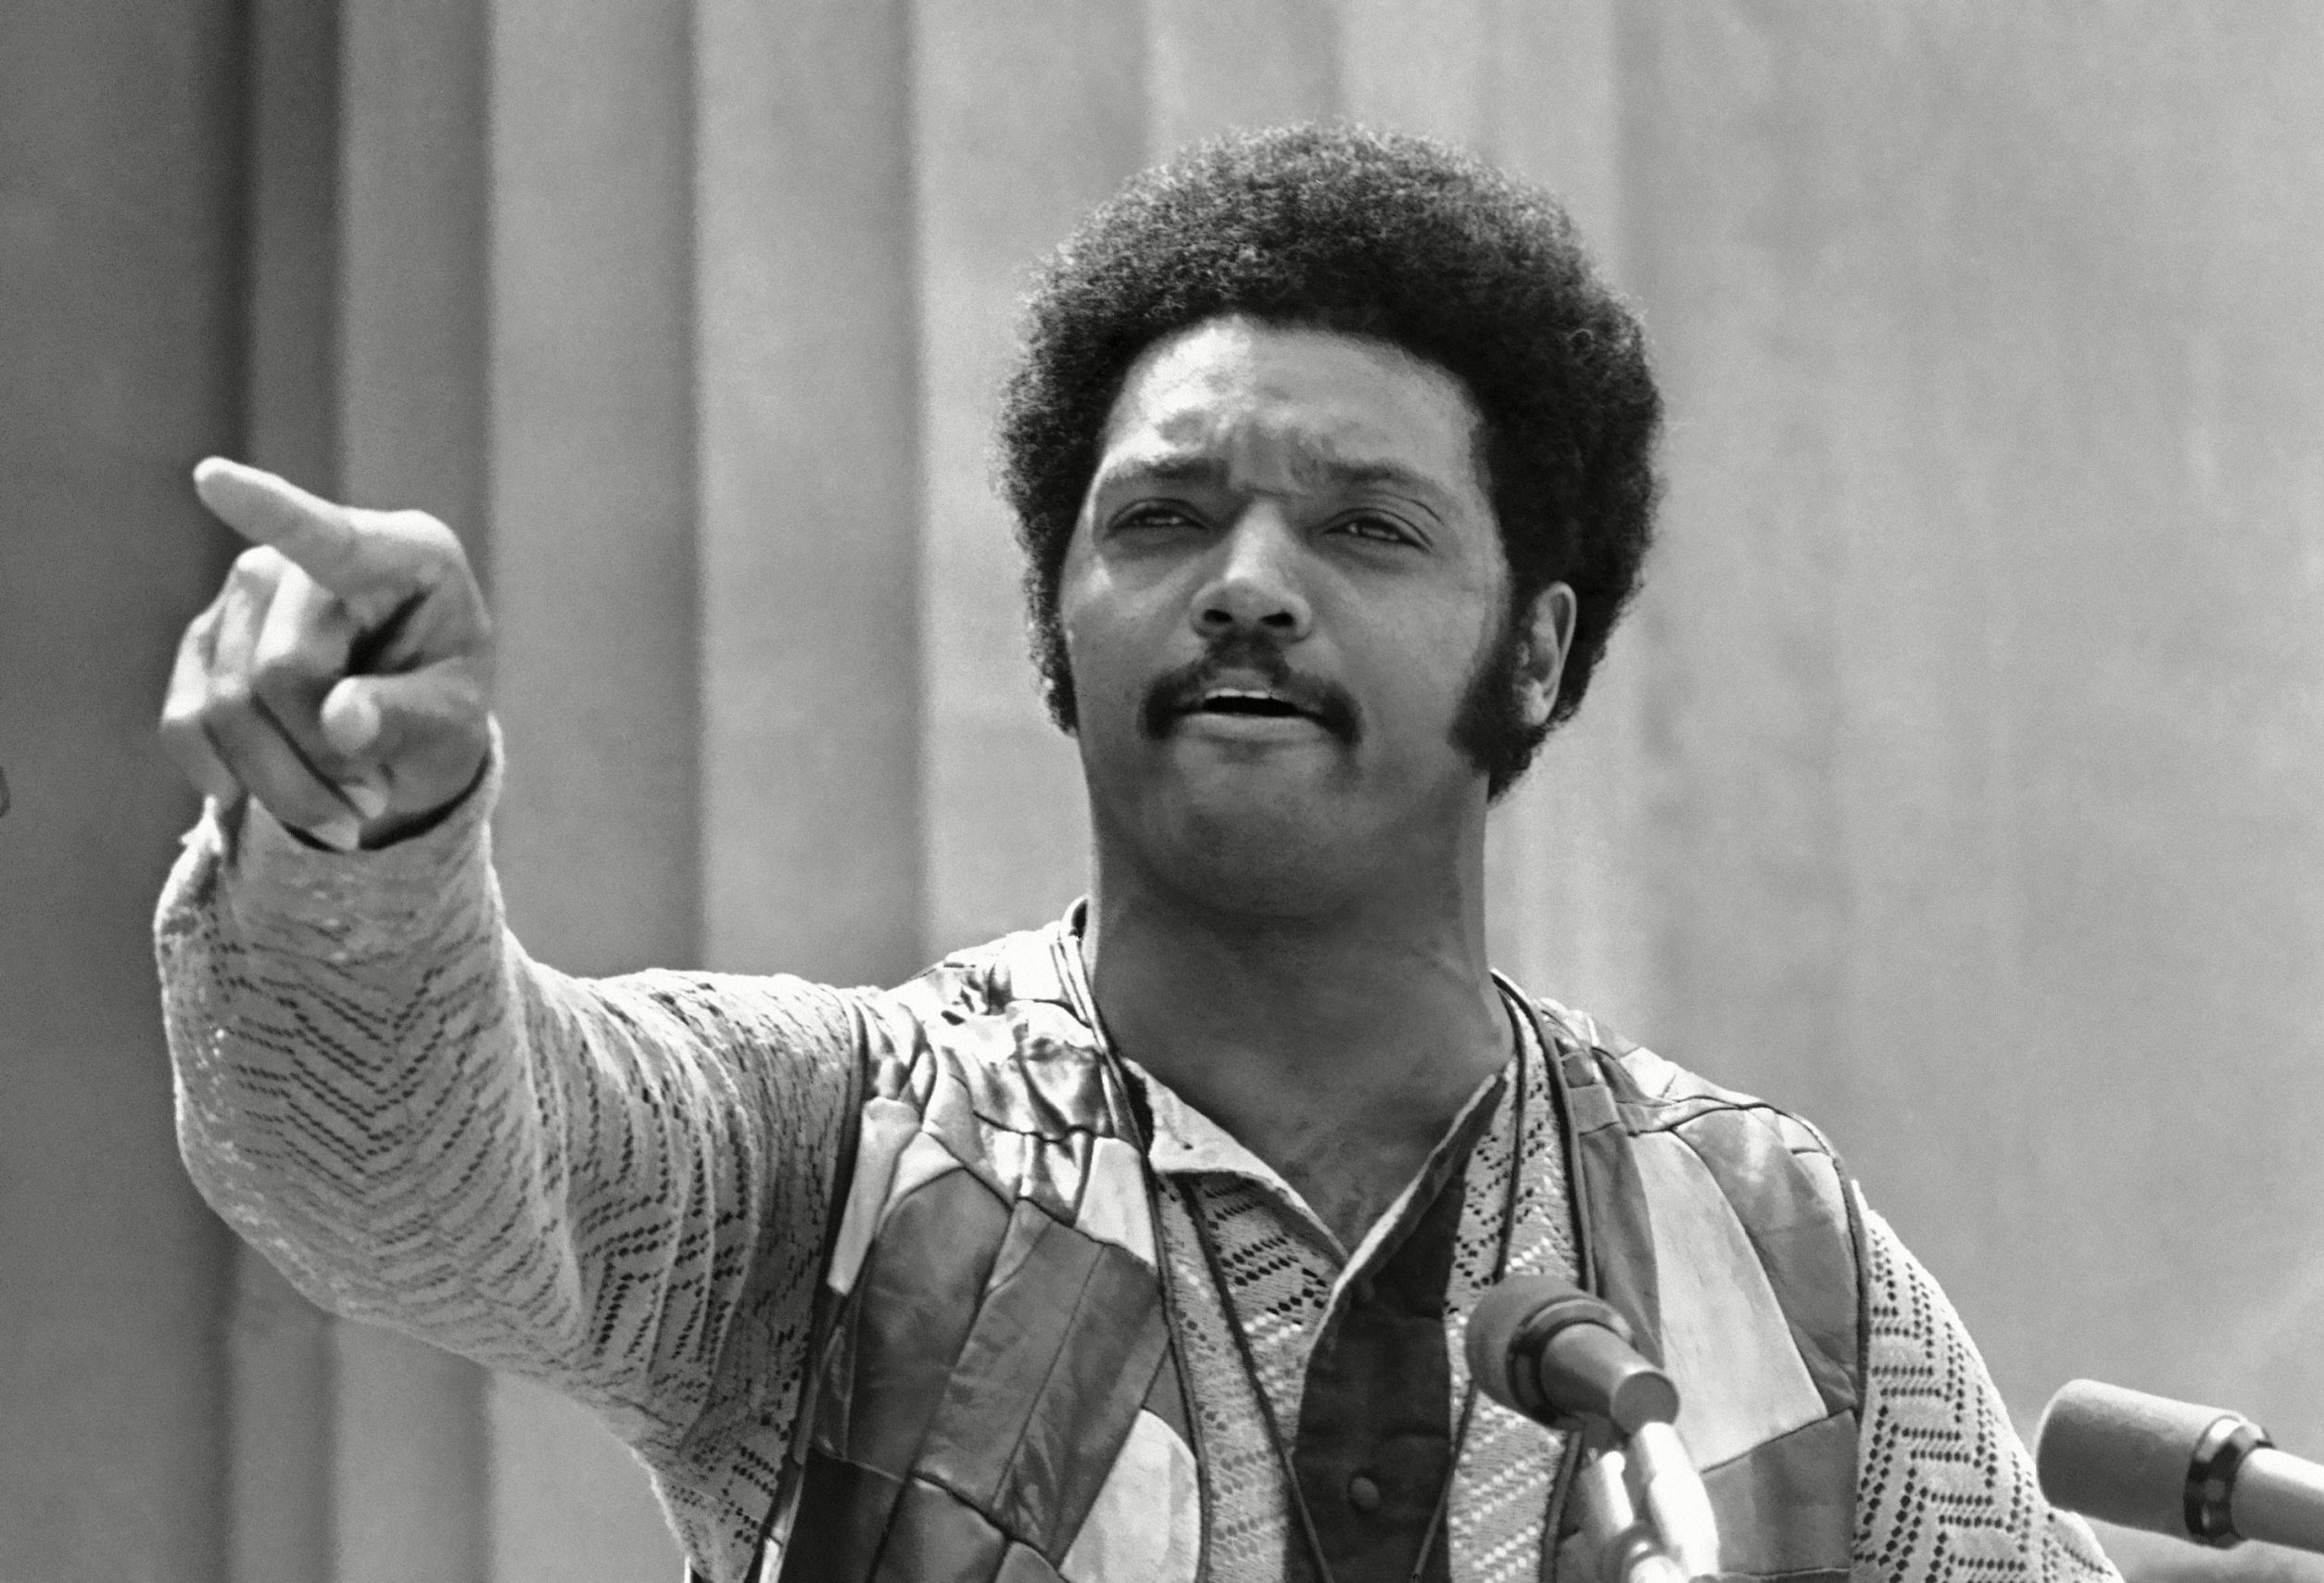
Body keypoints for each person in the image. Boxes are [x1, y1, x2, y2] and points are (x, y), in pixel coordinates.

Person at [158, 125, 2118, 1583]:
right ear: (1056, 620)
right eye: (1164, 516)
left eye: (1363, 527)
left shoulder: (1764, 1242)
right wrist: (361, 837)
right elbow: (405, 1165)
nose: (1247, 586)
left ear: (1532, 640)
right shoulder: (835, 1149)